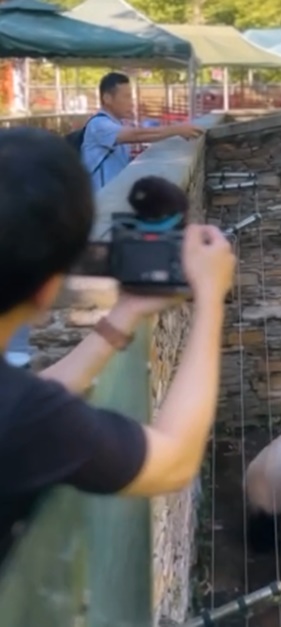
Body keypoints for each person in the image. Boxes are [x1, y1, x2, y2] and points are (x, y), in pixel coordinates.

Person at [0, 127, 235, 564]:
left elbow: (37, 395)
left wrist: (123, 315)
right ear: (48, 290)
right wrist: (210, 302)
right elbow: (175, 460)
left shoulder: (21, 411)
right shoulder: (24, 420)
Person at [81, 72, 205, 191]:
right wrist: (177, 129)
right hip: (100, 202)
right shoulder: (98, 125)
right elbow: (138, 135)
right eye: (126, 97)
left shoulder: (118, 123)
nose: (131, 103)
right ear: (107, 98)